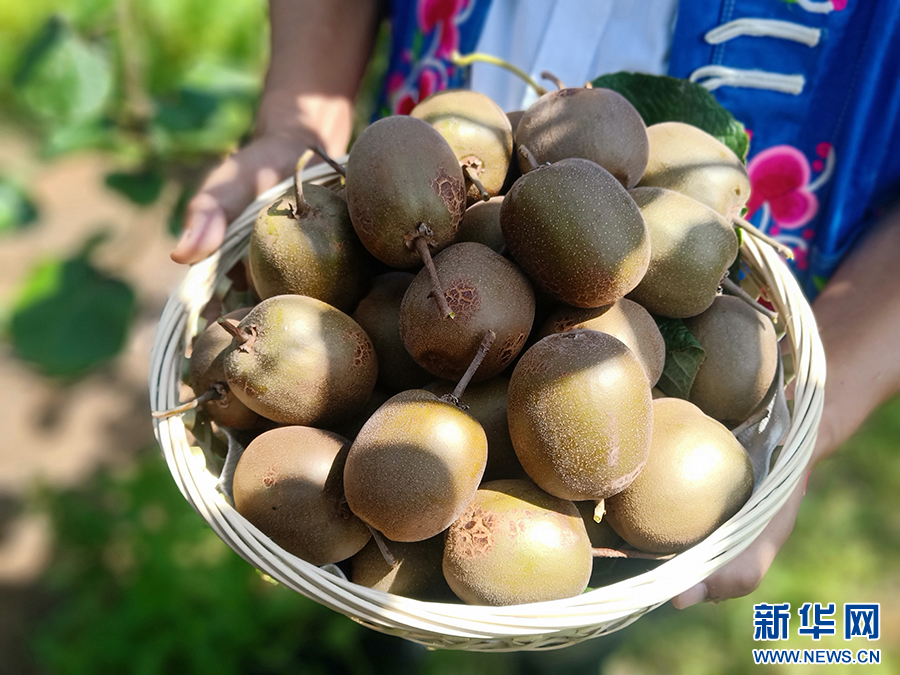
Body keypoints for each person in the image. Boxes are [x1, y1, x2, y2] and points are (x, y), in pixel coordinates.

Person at [170, 0, 900, 608]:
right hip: (441, 176)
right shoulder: (446, 239)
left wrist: (818, 413)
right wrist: (297, 114)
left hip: (690, 252)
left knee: (572, 599)